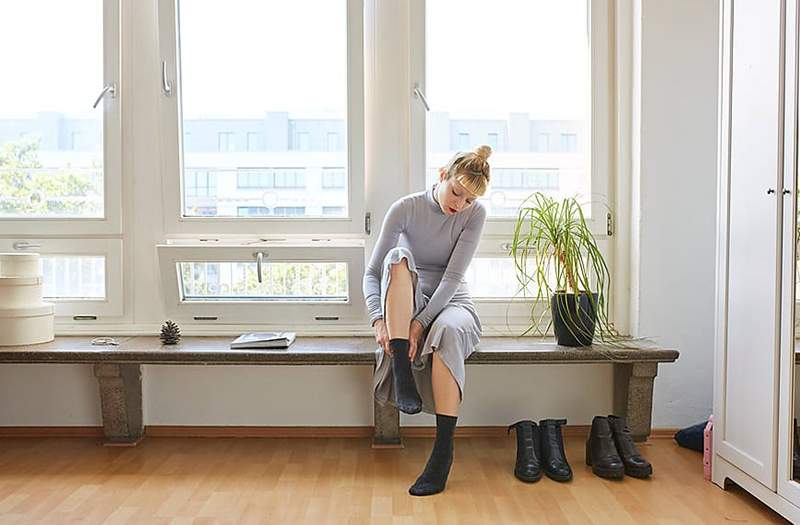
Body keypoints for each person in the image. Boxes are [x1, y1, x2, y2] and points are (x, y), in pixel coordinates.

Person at [362, 145, 491, 496]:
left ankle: (442, 454)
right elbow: (373, 273)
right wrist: (378, 321)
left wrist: (419, 325)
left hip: (450, 302)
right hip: (406, 295)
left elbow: (451, 280)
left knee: (448, 329)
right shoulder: (405, 209)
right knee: (397, 257)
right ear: (442, 176)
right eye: (456, 194)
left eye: (468, 200)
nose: (460, 205)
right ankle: (402, 372)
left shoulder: (474, 215)